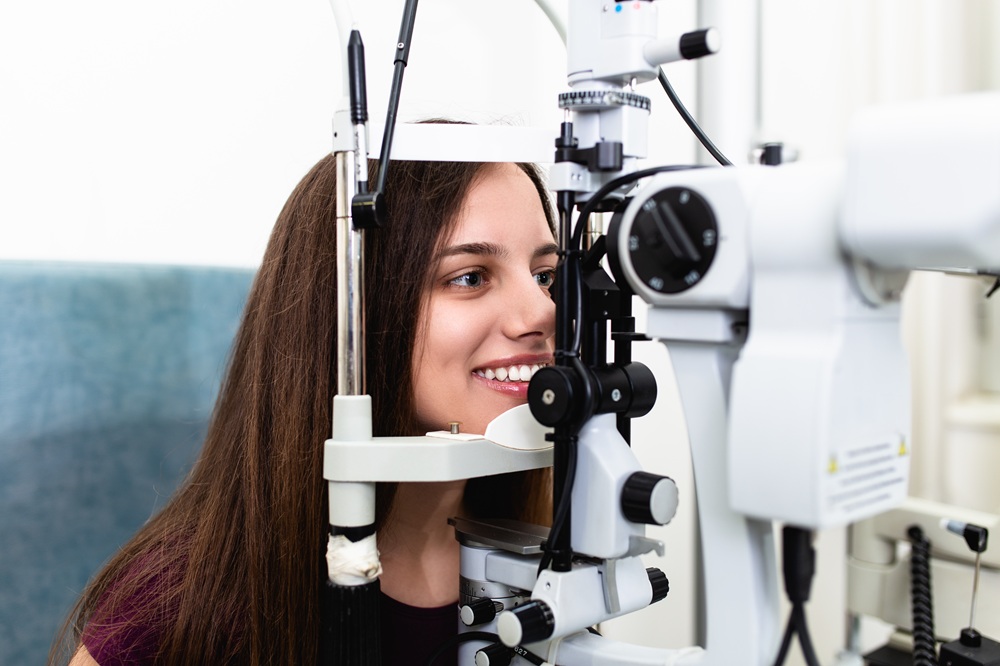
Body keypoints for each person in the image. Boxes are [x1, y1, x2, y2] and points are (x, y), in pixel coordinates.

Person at [53, 153, 557, 665]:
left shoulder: (543, 562)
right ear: (352, 314)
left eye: (546, 276)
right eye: (470, 277)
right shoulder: (186, 600)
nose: (543, 311)